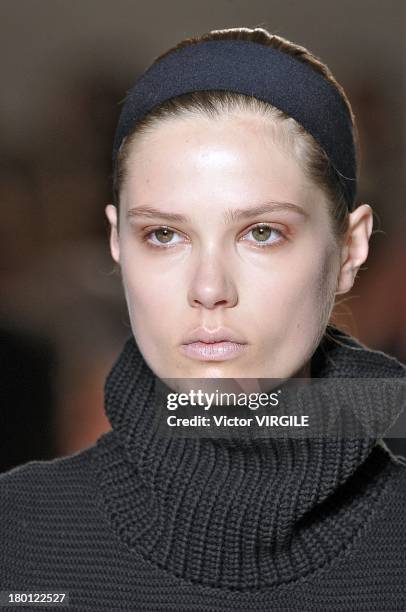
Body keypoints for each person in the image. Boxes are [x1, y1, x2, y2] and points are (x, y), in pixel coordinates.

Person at [1, 26, 406, 611]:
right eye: (164, 235)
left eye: (262, 232)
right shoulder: (18, 541)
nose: (209, 288)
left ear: (350, 250)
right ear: (117, 244)